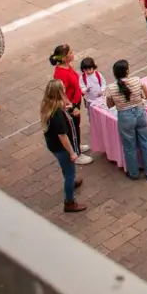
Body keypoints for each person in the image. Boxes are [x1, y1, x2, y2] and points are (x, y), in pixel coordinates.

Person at [104, 59, 147, 180]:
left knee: (129, 147)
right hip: (140, 112)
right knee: (145, 143)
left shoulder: (111, 88)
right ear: (127, 71)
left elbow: (109, 105)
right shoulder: (137, 81)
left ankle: (134, 173)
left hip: (125, 117)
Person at [40, 79, 85, 213]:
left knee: (67, 168)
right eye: (63, 89)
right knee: (69, 173)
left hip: (53, 145)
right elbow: (62, 136)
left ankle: (71, 182)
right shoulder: (57, 115)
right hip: (61, 148)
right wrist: (72, 153)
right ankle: (69, 202)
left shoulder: (48, 105)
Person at [50, 45, 92, 165]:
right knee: (72, 129)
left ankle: (77, 145)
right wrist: (72, 107)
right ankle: (76, 154)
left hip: (76, 101)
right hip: (70, 105)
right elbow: (62, 94)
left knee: (76, 126)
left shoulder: (68, 66)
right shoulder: (60, 74)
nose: (73, 54)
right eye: (70, 52)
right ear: (64, 58)